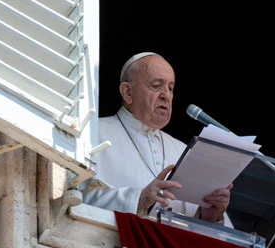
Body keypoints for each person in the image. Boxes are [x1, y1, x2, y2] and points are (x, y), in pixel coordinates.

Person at [81, 52, 231, 224]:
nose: (166, 95)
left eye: (170, 88)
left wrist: (209, 215)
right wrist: (139, 199)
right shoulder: (92, 133)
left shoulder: (184, 150)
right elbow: (70, 200)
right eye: (156, 85)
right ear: (127, 92)